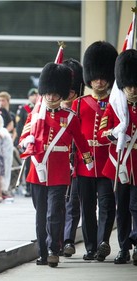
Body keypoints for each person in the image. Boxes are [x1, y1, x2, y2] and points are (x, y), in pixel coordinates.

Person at [19, 62, 93, 267]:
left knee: (54, 212)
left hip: (59, 171)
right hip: (37, 170)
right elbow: (23, 136)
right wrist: (26, 141)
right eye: (48, 94)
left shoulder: (69, 117)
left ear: (61, 94)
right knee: (40, 214)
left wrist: (88, 160)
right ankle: (42, 252)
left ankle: (53, 249)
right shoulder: (35, 115)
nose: (51, 97)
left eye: (54, 94)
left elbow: (81, 141)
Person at [72, 41, 117, 262]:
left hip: (108, 162)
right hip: (84, 164)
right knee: (87, 208)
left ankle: (103, 242)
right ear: (89, 78)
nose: (99, 81)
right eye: (95, 77)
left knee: (107, 205)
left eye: (103, 77)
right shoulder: (79, 104)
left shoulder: (115, 103)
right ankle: (90, 247)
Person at [98, 49, 137, 266]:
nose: (132, 89)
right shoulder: (116, 106)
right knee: (121, 208)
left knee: (136, 206)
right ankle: (123, 247)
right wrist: (116, 133)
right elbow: (101, 135)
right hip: (120, 163)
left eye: (134, 85)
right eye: (128, 84)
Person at [60, 58, 85, 257]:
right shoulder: (50, 110)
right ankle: (57, 239)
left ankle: (68, 240)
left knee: (72, 203)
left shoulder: (80, 108)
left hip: (75, 162)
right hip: (55, 164)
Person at [15, 88, 39, 197]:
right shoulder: (24, 109)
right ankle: (29, 187)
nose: (34, 97)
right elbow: (20, 126)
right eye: (32, 95)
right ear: (29, 97)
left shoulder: (40, 107)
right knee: (28, 164)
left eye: (36, 95)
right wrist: (22, 140)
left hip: (37, 141)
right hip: (28, 140)